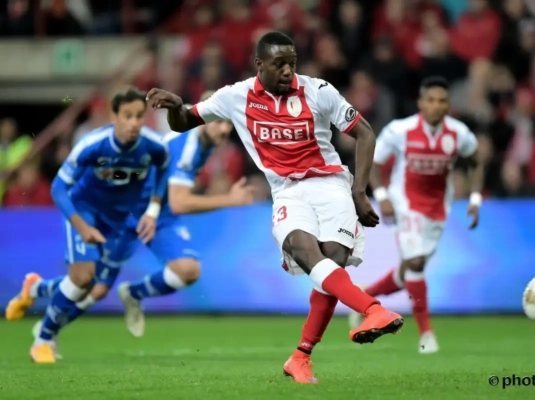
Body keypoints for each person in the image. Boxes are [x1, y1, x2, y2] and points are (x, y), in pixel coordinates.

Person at [146, 31, 404, 384]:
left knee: (332, 263)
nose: (287, 71)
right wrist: (177, 107)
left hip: (330, 184)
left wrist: (360, 191)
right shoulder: (235, 96)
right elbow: (184, 123)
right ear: (260, 64)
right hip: (287, 191)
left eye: (292, 64)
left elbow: (366, 133)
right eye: (279, 64)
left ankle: (301, 357)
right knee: (303, 250)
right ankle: (373, 309)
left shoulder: (318, 91)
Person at [9, 92, 256, 354]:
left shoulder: (202, 144)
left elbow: (161, 172)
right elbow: (179, 201)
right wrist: (229, 200)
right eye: (218, 121)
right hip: (134, 212)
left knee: (186, 270)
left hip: (152, 212)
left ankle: (132, 294)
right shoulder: (187, 145)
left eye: (227, 122)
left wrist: (153, 208)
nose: (224, 129)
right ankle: (44, 318)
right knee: (92, 286)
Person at [5, 87, 171, 364]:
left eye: (139, 116)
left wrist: (153, 211)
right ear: (114, 117)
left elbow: (164, 168)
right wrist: (82, 227)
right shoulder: (92, 145)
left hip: (119, 221)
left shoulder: (153, 146)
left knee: (93, 287)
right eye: (127, 116)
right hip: (85, 212)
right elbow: (59, 188)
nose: (133, 123)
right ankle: (43, 340)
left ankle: (34, 289)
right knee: (82, 278)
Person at [348, 76, 485, 354]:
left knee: (409, 269)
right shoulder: (401, 130)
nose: (436, 105)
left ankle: (365, 296)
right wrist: (382, 196)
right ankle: (426, 334)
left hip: (438, 208)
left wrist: (475, 198)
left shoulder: (458, 133)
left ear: (448, 105)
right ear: (421, 103)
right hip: (404, 202)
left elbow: (476, 161)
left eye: (442, 101)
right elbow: (374, 160)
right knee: (416, 262)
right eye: (430, 100)